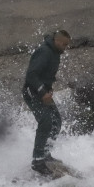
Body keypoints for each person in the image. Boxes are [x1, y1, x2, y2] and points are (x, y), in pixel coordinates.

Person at [23, 30, 71, 176]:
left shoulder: (55, 53)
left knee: (56, 120)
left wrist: (49, 90)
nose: (66, 47)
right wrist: (42, 92)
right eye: (64, 44)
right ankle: (37, 161)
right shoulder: (44, 51)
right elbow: (31, 74)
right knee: (46, 121)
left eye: (67, 44)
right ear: (56, 41)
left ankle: (45, 153)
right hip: (32, 92)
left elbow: (46, 75)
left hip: (43, 92)